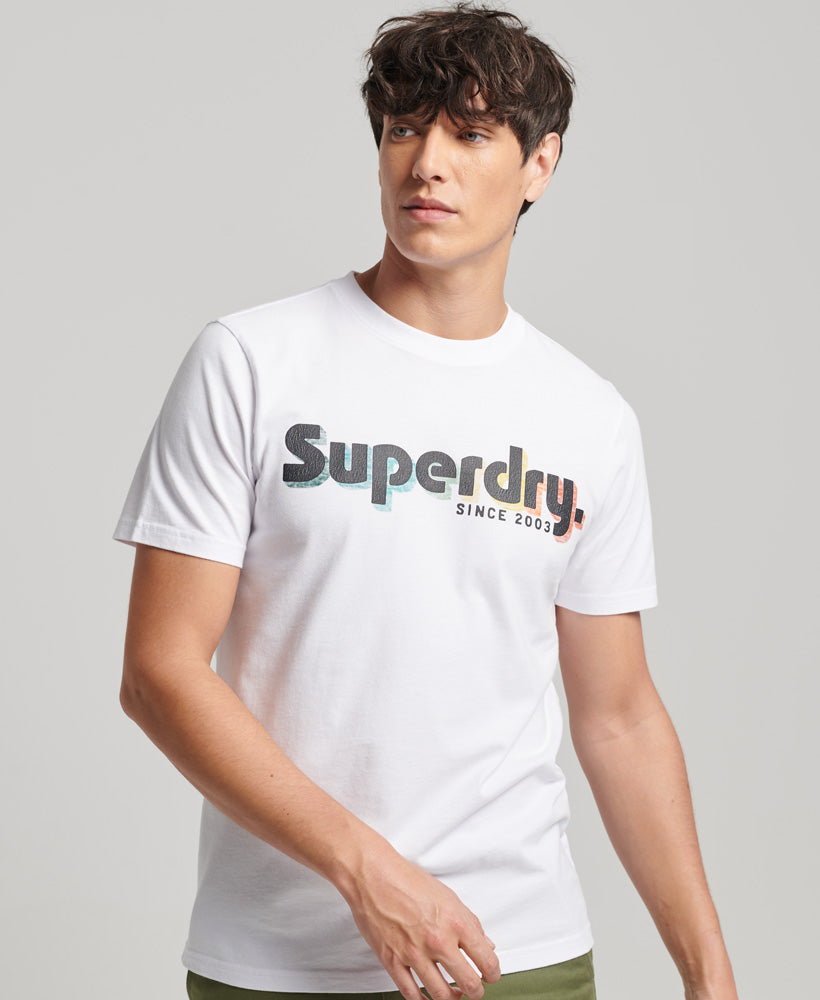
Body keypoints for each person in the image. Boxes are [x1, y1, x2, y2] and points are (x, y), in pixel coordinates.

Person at [114, 4, 739, 999]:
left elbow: (619, 716)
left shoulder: (588, 417)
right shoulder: (253, 362)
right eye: (404, 129)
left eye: (471, 133)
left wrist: (709, 975)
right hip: (282, 962)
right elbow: (160, 672)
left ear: (539, 165)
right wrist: (366, 871)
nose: (427, 163)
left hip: (516, 956)